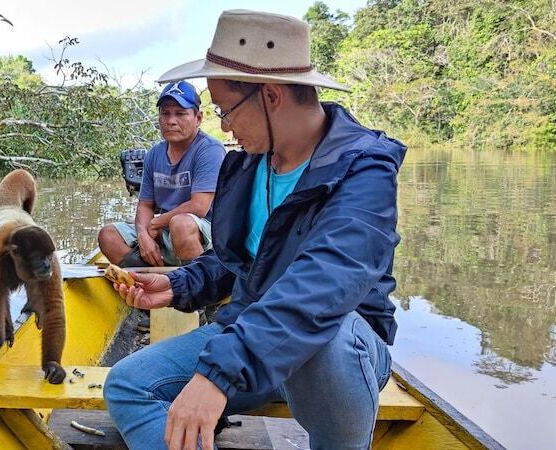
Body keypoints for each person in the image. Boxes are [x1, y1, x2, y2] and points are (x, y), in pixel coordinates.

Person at [103, 10, 406, 450]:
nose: (223, 126)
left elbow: (325, 285)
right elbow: (236, 261)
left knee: (329, 336)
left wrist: (217, 374)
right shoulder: (244, 165)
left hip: (332, 356)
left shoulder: (363, 170)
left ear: (270, 95)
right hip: (249, 338)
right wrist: (180, 286)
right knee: (129, 384)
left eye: (226, 110)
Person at [98, 80, 226, 268]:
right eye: (165, 113)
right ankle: (155, 279)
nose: (171, 121)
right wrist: (143, 234)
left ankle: (196, 286)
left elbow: (199, 206)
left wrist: (156, 224)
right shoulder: (154, 154)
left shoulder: (209, 149)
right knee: (108, 235)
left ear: (198, 118)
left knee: (181, 225)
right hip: (164, 230)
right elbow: (145, 205)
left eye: (180, 113)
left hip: (203, 233)